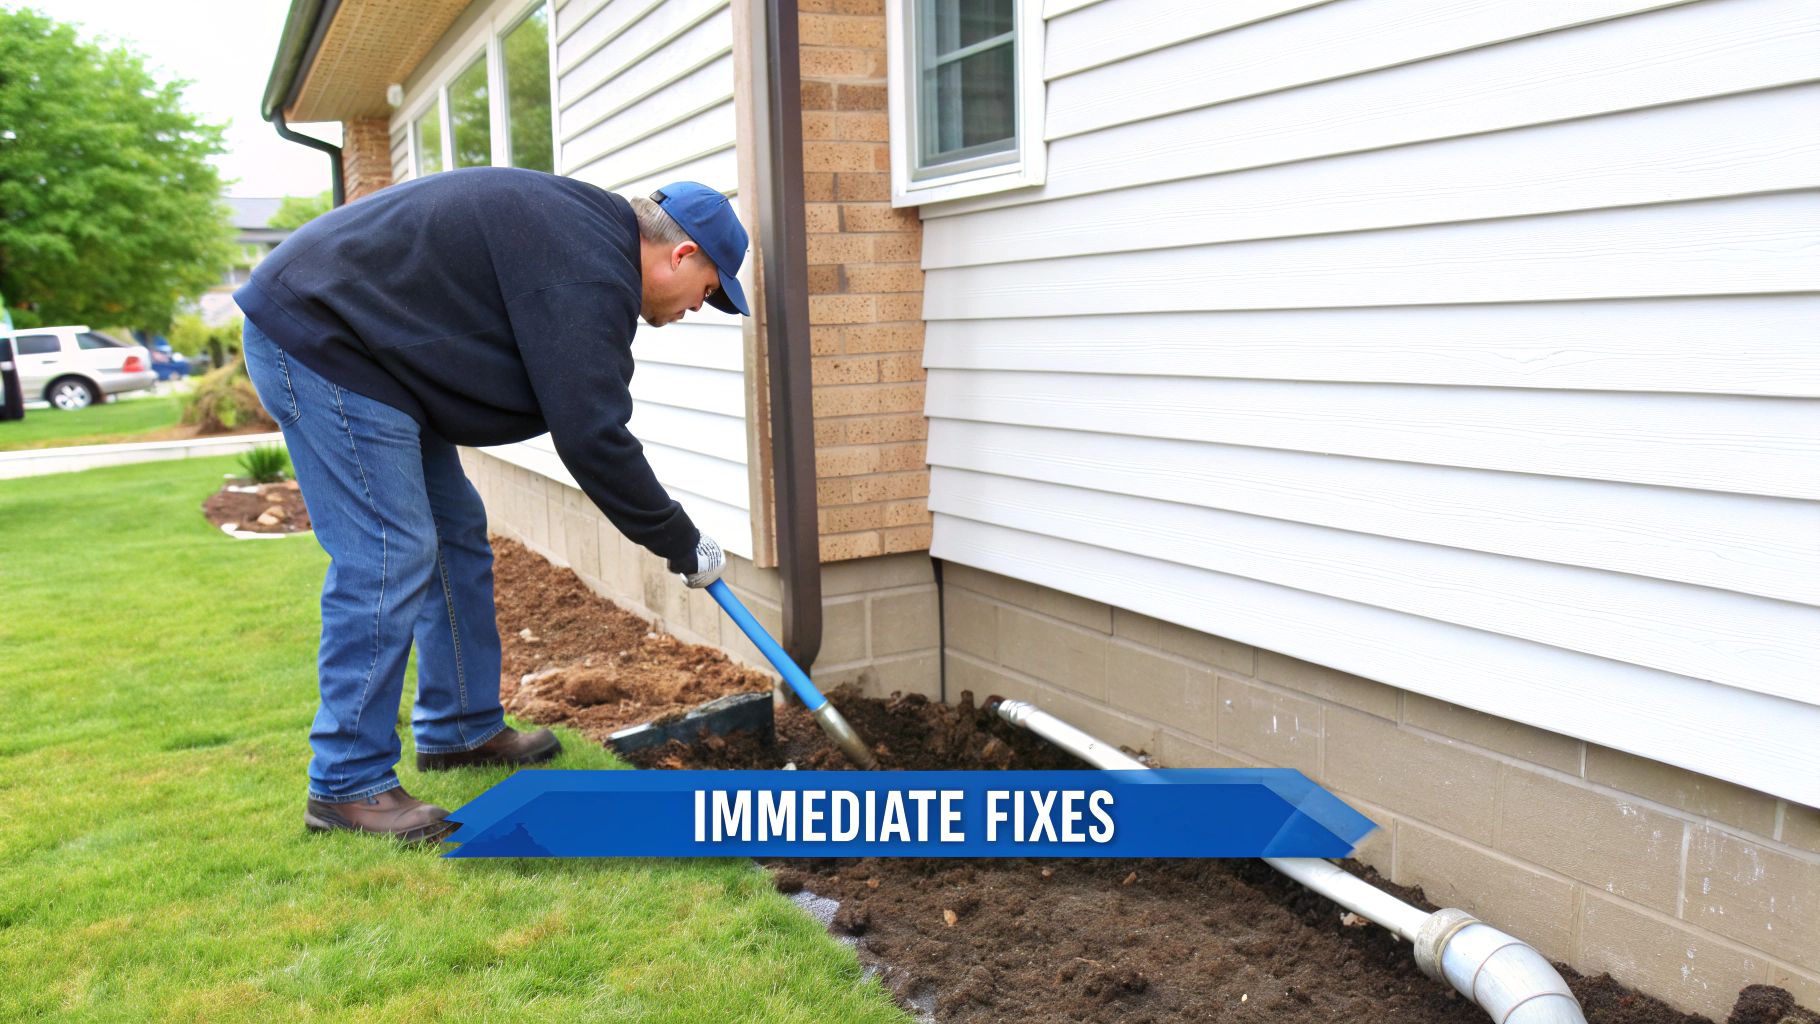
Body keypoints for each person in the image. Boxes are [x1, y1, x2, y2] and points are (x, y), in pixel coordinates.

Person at [234, 168, 748, 841]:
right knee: (389, 551)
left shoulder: (588, 242)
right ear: (682, 253)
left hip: (381, 364)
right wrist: (684, 542)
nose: (693, 309)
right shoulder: (590, 268)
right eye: (706, 292)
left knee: (455, 536)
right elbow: (593, 436)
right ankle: (345, 784)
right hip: (322, 340)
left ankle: (458, 731)